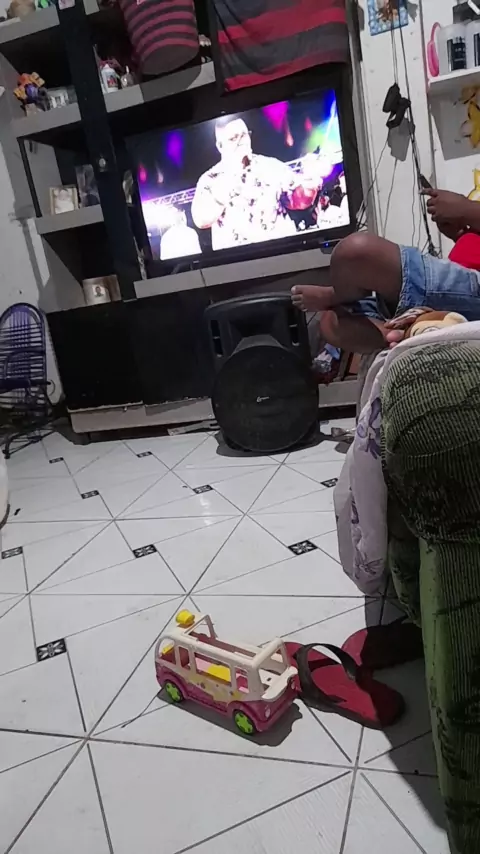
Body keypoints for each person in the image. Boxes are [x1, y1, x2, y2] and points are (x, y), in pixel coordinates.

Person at [291, 188, 480, 353]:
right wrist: (459, 235)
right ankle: (398, 333)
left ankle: (337, 295)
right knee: (331, 321)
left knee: (355, 252)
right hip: (463, 283)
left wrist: (466, 209)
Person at [191, 116, 326, 251]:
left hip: (281, 252)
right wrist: (232, 174)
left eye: (244, 135)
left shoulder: (270, 166)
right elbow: (201, 220)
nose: (241, 141)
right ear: (220, 146)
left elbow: (298, 202)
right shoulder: (210, 179)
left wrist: (310, 183)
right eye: (233, 138)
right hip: (239, 259)